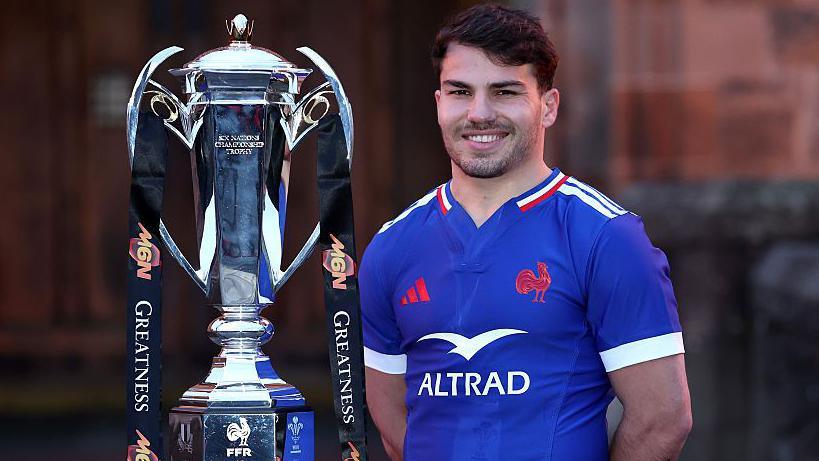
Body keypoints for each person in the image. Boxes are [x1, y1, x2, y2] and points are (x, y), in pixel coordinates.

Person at [359, 4, 692, 460]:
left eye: (504, 92)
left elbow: (663, 419)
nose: (479, 113)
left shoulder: (606, 237)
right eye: (460, 91)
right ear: (439, 103)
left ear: (548, 106)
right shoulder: (391, 248)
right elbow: (395, 426)